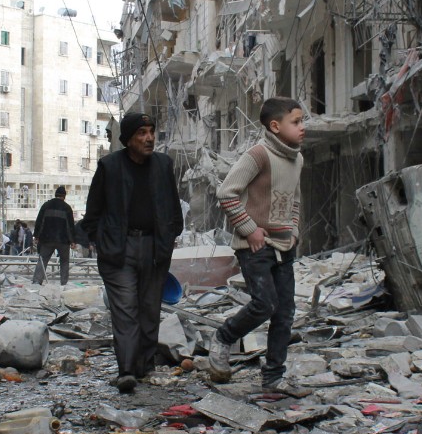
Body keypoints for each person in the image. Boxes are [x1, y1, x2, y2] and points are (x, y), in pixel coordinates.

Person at [208, 98, 310, 397]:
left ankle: (273, 378)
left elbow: (295, 200)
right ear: (275, 126)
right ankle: (224, 337)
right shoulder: (258, 155)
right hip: (254, 245)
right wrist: (250, 230)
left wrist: (293, 231)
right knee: (264, 304)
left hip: (284, 244)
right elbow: (226, 193)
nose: (302, 127)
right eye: (296, 122)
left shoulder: (297, 159)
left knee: (285, 312)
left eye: (302, 121)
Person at [81, 112, 183, 394]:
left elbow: (173, 208)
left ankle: (144, 367)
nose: (149, 138)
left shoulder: (163, 165)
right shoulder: (110, 166)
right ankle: (126, 370)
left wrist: (170, 235)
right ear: (127, 139)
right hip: (120, 249)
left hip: (154, 248)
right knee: (125, 309)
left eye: (151, 131)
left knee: (149, 309)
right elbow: (93, 213)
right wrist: (103, 241)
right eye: (141, 133)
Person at [31, 186, 76, 285]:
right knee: (64, 261)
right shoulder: (67, 208)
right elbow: (70, 226)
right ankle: (63, 283)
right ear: (64, 196)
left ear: (55, 194)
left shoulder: (46, 205)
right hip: (63, 240)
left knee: (43, 260)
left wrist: (37, 236)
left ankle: (37, 281)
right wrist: (72, 241)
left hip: (47, 239)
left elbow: (39, 221)